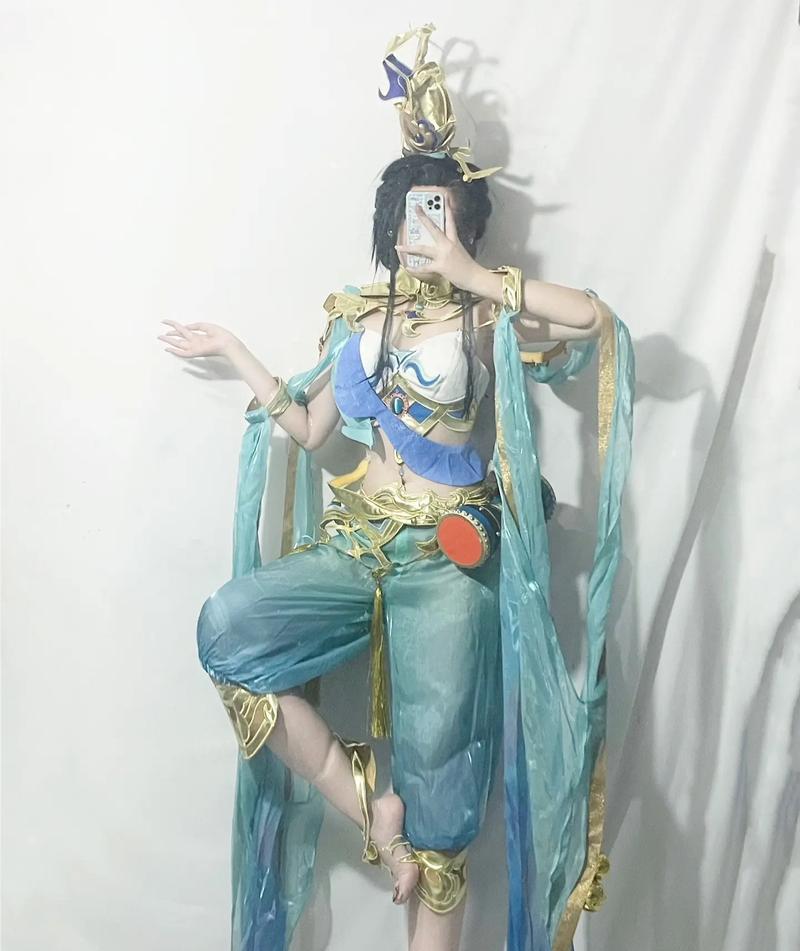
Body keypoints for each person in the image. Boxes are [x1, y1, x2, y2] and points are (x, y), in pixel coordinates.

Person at [157, 23, 634, 951]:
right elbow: (310, 432)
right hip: (357, 542)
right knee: (231, 633)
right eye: (411, 215)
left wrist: (473, 275)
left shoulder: (484, 316)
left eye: (439, 214)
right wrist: (238, 352)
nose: (422, 232)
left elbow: (591, 321)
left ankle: (414, 837)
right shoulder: (358, 318)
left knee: (446, 810)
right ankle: (372, 805)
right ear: (388, 223)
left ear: (464, 223)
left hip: (447, 563)